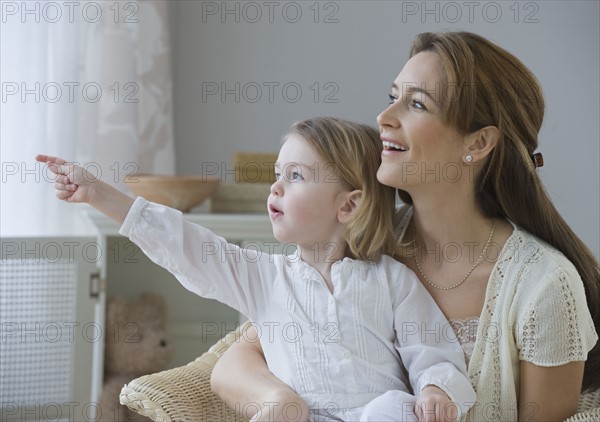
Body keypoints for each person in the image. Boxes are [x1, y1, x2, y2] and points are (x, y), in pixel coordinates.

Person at [210, 31, 600, 421]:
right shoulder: (360, 240)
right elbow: (235, 361)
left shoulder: (545, 286)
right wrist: (280, 401)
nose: (384, 118)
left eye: (416, 103)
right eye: (392, 96)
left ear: (478, 143)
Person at [36, 117, 477, 422]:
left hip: (373, 413)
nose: (276, 186)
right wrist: (100, 194)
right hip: (299, 415)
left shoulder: (389, 279)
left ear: (348, 204)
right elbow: (188, 246)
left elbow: (430, 344)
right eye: (276, 174)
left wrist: (437, 388)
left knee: (395, 408)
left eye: (297, 176)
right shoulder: (264, 278)